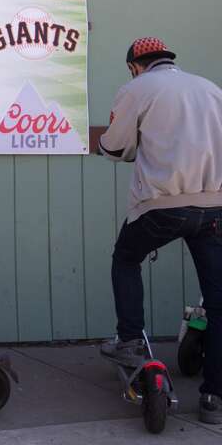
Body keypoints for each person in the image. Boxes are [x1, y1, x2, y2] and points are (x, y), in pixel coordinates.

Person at [97, 37, 222, 424]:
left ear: (136, 64)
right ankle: (213, 399)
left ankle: (131, 340)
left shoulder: (137, 88)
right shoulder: (210, 88)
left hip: (161, 205)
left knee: (126, 258)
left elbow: (115, 148)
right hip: (213, 205)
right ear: (168, 59)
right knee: (218, 303)